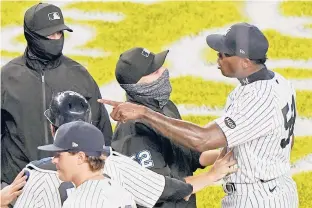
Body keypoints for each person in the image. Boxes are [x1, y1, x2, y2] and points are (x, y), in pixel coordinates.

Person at [99, 22, 299, 208]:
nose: (218, 58)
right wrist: (223, 166)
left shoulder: (255, 99)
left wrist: (144, 113)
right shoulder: (279, 84)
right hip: (276, 188)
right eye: (155, 71)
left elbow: (202, 140)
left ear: (245, 62)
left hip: (257, 197)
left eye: (224, 54)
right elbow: (157, 188)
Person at [14, 91, 237, 208]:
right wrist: (212, 175)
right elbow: (170, 190)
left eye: (58, 153)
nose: (54, 159)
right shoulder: (118, 166)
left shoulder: (36, 176)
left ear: (53, 128)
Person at [1, 2, 112, 186]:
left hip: (73, 185)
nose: (56, 38)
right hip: (21, 187)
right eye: (49, 34)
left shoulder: (80, 75)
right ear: (31, 35)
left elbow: (102, 133)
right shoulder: (7, 79)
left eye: (59, 33)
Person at [111, 47, 221, 207]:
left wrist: (228, 155)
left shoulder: (165, 107)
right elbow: (160, 190)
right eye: (155, 72)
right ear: (136, 86)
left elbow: (191, 156)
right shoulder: (134, 132)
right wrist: (211, 175)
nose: (164, 71)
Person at [37, 121, 136, 208]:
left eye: (59, 155)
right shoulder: (119, 191)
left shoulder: (79, 202)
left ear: (80, 157)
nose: (54, 160)